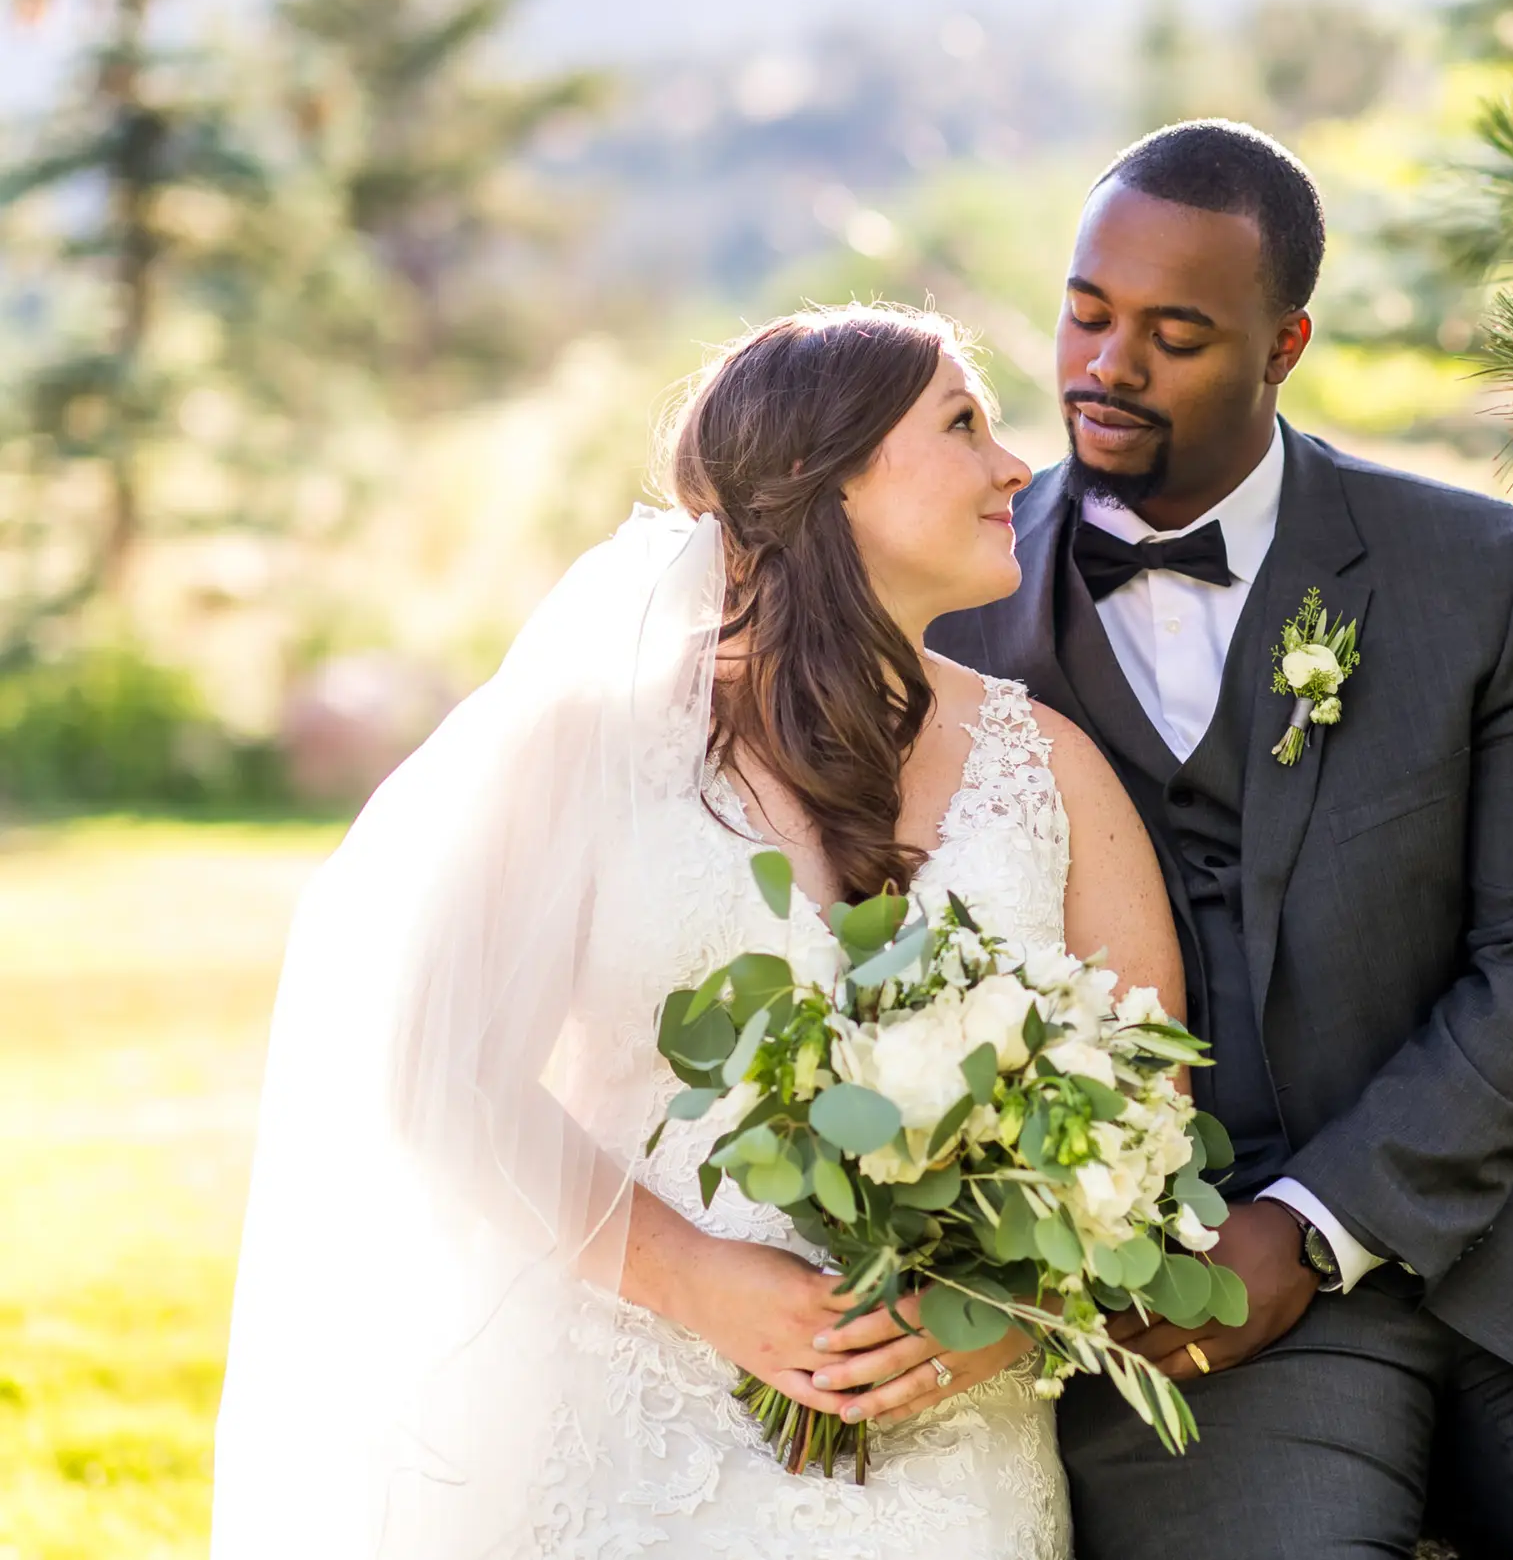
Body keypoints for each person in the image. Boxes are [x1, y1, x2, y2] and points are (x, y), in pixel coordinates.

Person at [928, 119, 1513, 1559]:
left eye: (1176, 333)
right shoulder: (950, 605)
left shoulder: (1488, 577)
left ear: (1284, 347)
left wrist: (1308, 1221)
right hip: (1186, 1306)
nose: (1108, 368)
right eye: (1088, 315)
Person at [210, 306, 1180, 1558]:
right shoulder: (594, 746)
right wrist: (697, 1278)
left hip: (945, 1448)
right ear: (825, 480)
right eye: (963, 426)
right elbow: (434, 1074)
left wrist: (998, 1310)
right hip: (626, 1410)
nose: (1017, 467)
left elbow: (1147, 1108)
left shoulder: (1050, 771)